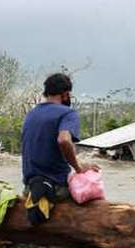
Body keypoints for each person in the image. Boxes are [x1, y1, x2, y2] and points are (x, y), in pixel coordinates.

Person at [21, 73, 100, 204]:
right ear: (65, 94)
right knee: (91, 191)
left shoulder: (31, 114)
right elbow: (63, 140)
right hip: (56, 189)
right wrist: (79, 167)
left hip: (30, 189)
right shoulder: (67, 113)